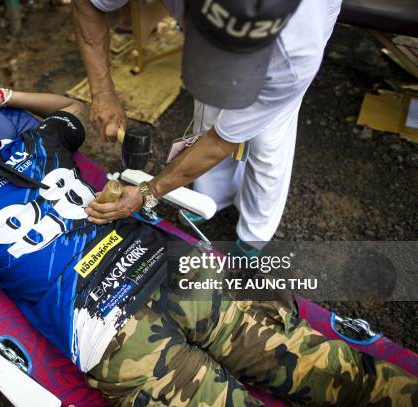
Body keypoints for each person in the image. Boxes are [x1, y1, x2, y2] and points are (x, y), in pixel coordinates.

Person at [0, 88, 416, 406]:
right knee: (326, 367)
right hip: (170, 270)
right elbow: (70, 104)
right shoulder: (43, 142)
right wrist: (3, 94)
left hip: (114, 334)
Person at [74, 0, 342, 254]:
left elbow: (221, 141)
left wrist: (147, 192)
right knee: (209, 115)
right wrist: (102, 93)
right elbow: (89, 4)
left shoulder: (294, 55)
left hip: (282, 55)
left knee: (266, 140)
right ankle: (215, 194)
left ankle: (255, 233)